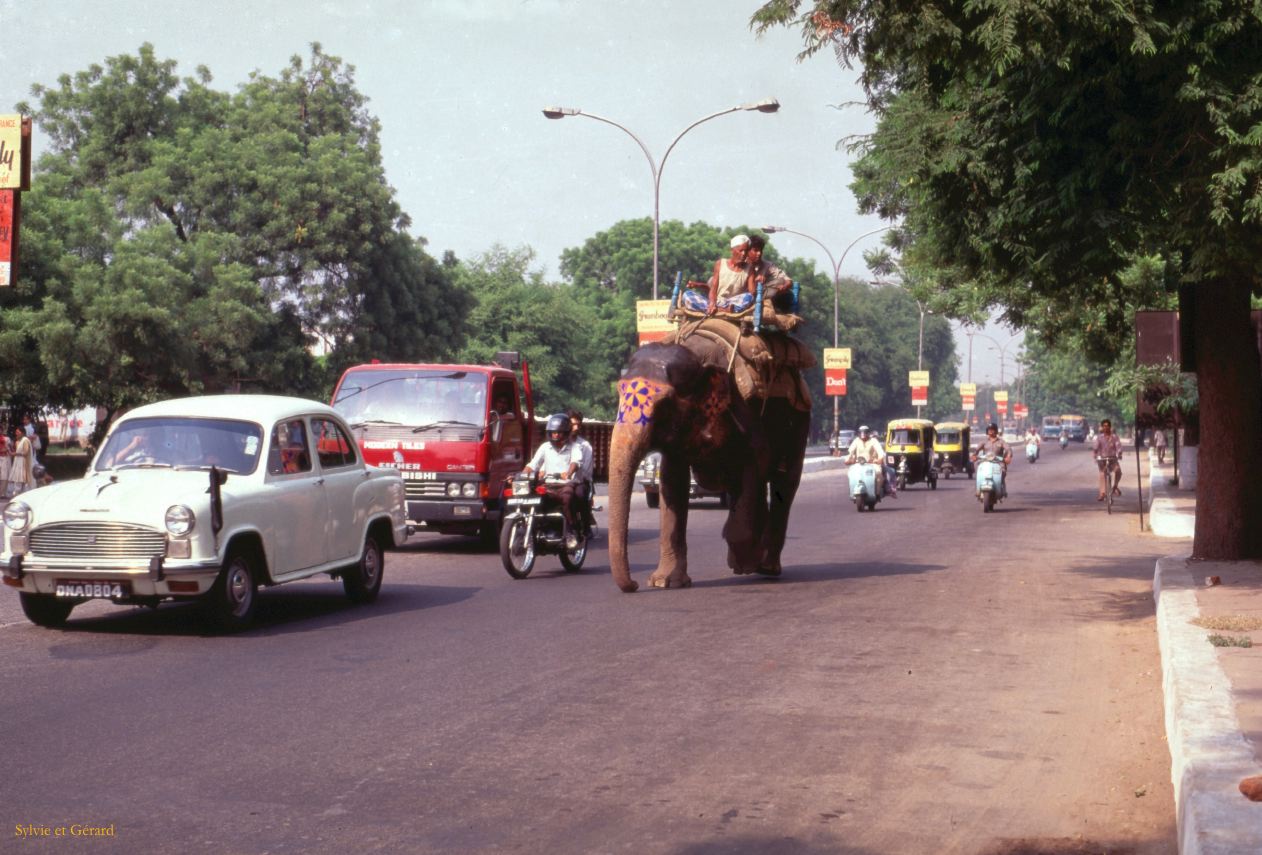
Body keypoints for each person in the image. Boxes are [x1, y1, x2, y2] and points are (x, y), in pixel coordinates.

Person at [523, 413, 582, 548]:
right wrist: (522, 474)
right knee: (533, 497)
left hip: (565, 484)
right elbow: (533, 464)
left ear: (566, 433)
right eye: (553, 432)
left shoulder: (575, 447)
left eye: (559, 432)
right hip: (548, 484)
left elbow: (576, 462)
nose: (555, 435)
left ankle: (570, 531)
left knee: (567, 498)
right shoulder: (545, 447)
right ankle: (540, 527)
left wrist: (568, 473)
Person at [680, 235, 754, 315]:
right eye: (741, 250)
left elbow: (752, 292)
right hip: (717, 301)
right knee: (687, 295)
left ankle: (716, 310)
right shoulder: (720, 264)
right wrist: (712, 303)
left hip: (733, 303)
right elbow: (713, 289)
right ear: (732, 250)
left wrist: (757, 278)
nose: (744, 254)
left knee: (749, 297)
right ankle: (720, 310)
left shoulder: (749, 269)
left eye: (746, 251)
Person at [567, 408, 597, 535]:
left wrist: (573, 477)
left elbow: (586, 472)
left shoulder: (584, 446)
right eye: (572, 424)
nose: (575, 427)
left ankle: (584, 525)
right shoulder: (555, 442)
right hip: (556, 481)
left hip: (578, 481)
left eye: (578, 425)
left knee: (579, 495)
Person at [846, 425, 895, 498]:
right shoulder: (856, 441)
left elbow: (880, 452)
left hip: (872, 464)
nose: (863, 434)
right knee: (850, 473)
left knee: (878, 473)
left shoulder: (873, 441)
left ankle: (877, 493)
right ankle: (852, 491)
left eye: (865, 432)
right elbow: (850, 452)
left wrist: (879, 459)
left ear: (868, 433)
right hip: (859, 464)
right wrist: (848, 459)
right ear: (859, 433)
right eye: (861, 432)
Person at [1093, 418, 1124, 500]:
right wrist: (1095, 454)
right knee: (1102, 473)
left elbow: (1118, 446)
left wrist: (1119, 453)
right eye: (1104, 426)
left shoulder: (1114, 437)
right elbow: (1096, 447)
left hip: (1112, 459)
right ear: (1102, 427)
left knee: (1118, 471)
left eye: (1107, 426)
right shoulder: (1099, 437)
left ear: (1110, 427)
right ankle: (1102, 493)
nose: (1105, 428)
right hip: (1102, 460)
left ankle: (1115, 487)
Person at [9, 427, 35, 496]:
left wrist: (15, 454)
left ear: (22, 433)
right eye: (16, 432)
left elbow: (26, 453)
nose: (16, 433)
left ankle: (19, 494)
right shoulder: (18, 441)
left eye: (18, 432)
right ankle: (18, 493)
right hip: (18, 461)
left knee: (21, 479)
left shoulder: (25, 440)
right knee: (18, 479)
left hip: (23, 462)